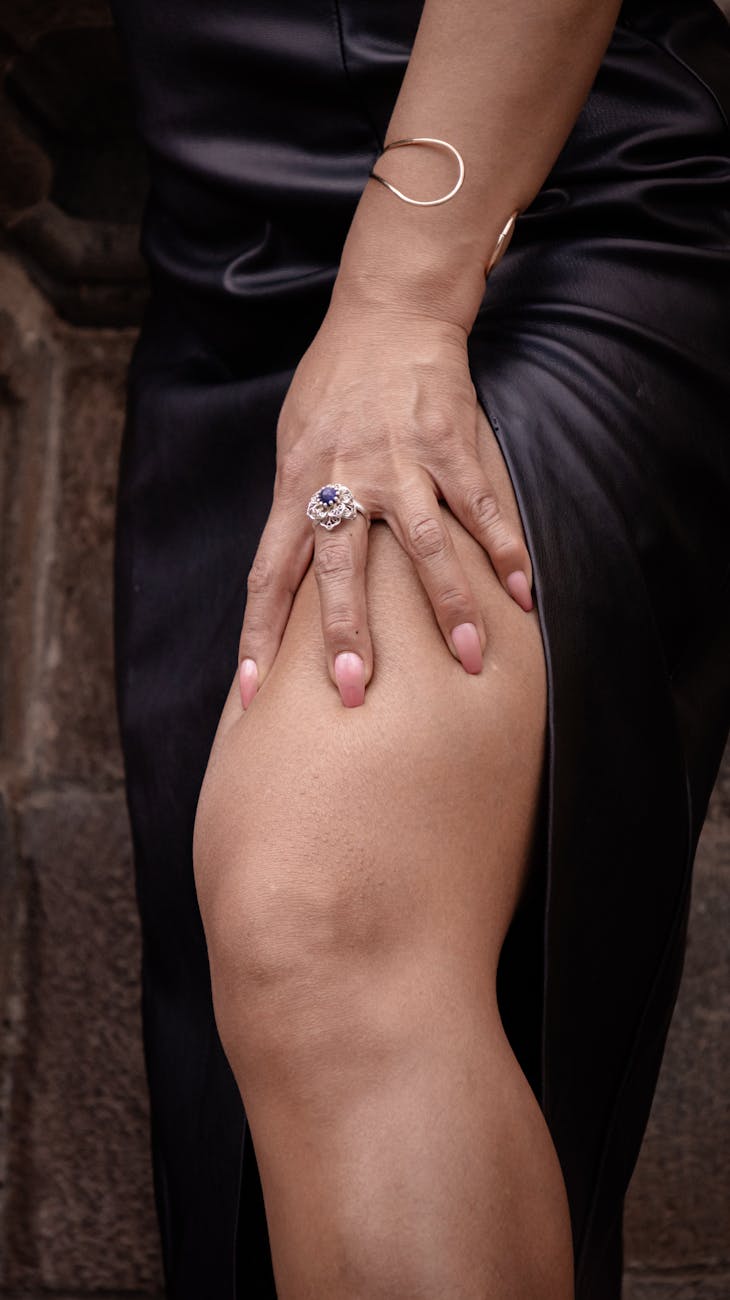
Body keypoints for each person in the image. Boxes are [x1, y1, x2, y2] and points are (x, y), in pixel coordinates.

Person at [109, 0, 730, 1295]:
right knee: (270, 1134)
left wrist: (403, 293)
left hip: (524, 215)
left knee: (316, 911)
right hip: (228, 278)